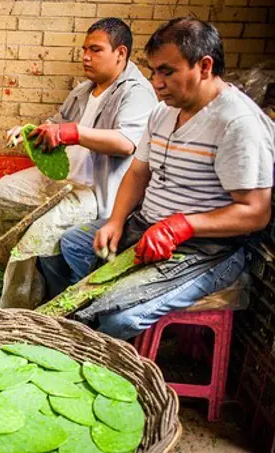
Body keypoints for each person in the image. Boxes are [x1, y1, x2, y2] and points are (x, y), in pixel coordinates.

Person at [59, 17, 274, 339]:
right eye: (154, 71)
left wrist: (182, 225)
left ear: (204, 66)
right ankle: (97, 318)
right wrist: (116, 221)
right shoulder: (163, 112)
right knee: (73, 245)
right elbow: (138, 171)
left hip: (206, 249)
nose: (157, 82)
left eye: (167, 71)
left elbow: (256, 212)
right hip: (147, 226)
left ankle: (114, 346)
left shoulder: (238, 123)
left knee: (120, 317)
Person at [0, 18, 157, 308]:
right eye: (84, 50)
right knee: (1, 194)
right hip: (63, 179)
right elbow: (56, 123)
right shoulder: (84, 90)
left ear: (121, 53)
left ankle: (19, 308)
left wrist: (72, 133)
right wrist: (30, 131)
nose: (85, 57)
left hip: (96, 192)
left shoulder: (136, 93)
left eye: (95, 49)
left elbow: (127, 142)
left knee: (38, 236)